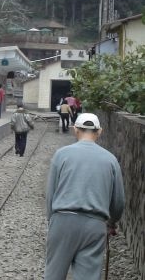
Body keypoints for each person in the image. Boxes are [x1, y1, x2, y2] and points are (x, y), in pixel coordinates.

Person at [45, 113, 125, 280]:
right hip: (94, 225)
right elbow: (118, 202)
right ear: (99, 131)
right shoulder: (111, 160)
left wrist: (51, 220)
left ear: (75, 130)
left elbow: (51, 194)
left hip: (63, 221)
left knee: (54, 275)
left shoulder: (62, 155)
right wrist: (111, 223)